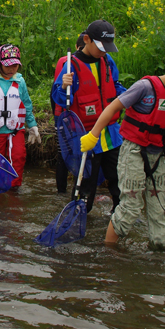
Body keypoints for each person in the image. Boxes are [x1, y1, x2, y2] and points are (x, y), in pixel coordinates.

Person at [81, 49, 165, 250]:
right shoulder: (145, 87)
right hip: (134, 152)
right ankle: (108, 249)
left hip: (159, 155)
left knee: (160, 210)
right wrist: (93, 135)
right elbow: (112, 108)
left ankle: (160, 252)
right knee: (130, 207)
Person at [51, 20, 127, 212]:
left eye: (107, 48)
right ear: (87, 40)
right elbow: (59, 99)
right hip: (86, 135)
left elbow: (116, 86)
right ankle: (81, 215)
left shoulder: (108, 61)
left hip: (111, 134)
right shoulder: (71, 66)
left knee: (118, 177)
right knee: (86, 183)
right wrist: (64, 86)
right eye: (101, 47)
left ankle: (120, 216)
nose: (104, 52)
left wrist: (129, 96)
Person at [0, 44, 41, 188]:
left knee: (18, 157)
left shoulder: (20, 82)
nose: (12, 69)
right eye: (8, 66)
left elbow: (27, 106)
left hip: (16, 130)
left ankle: (14, 189)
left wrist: (32, 125)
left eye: (15, 65)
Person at [51, 32, 88, 194]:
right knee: (72, 155)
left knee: (64, 154)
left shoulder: (65, 61)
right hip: (70, 115)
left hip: (64, 115)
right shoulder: (67, 62)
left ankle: (62, 192)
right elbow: (57, 90)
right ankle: (71, 191)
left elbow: (52, 91)